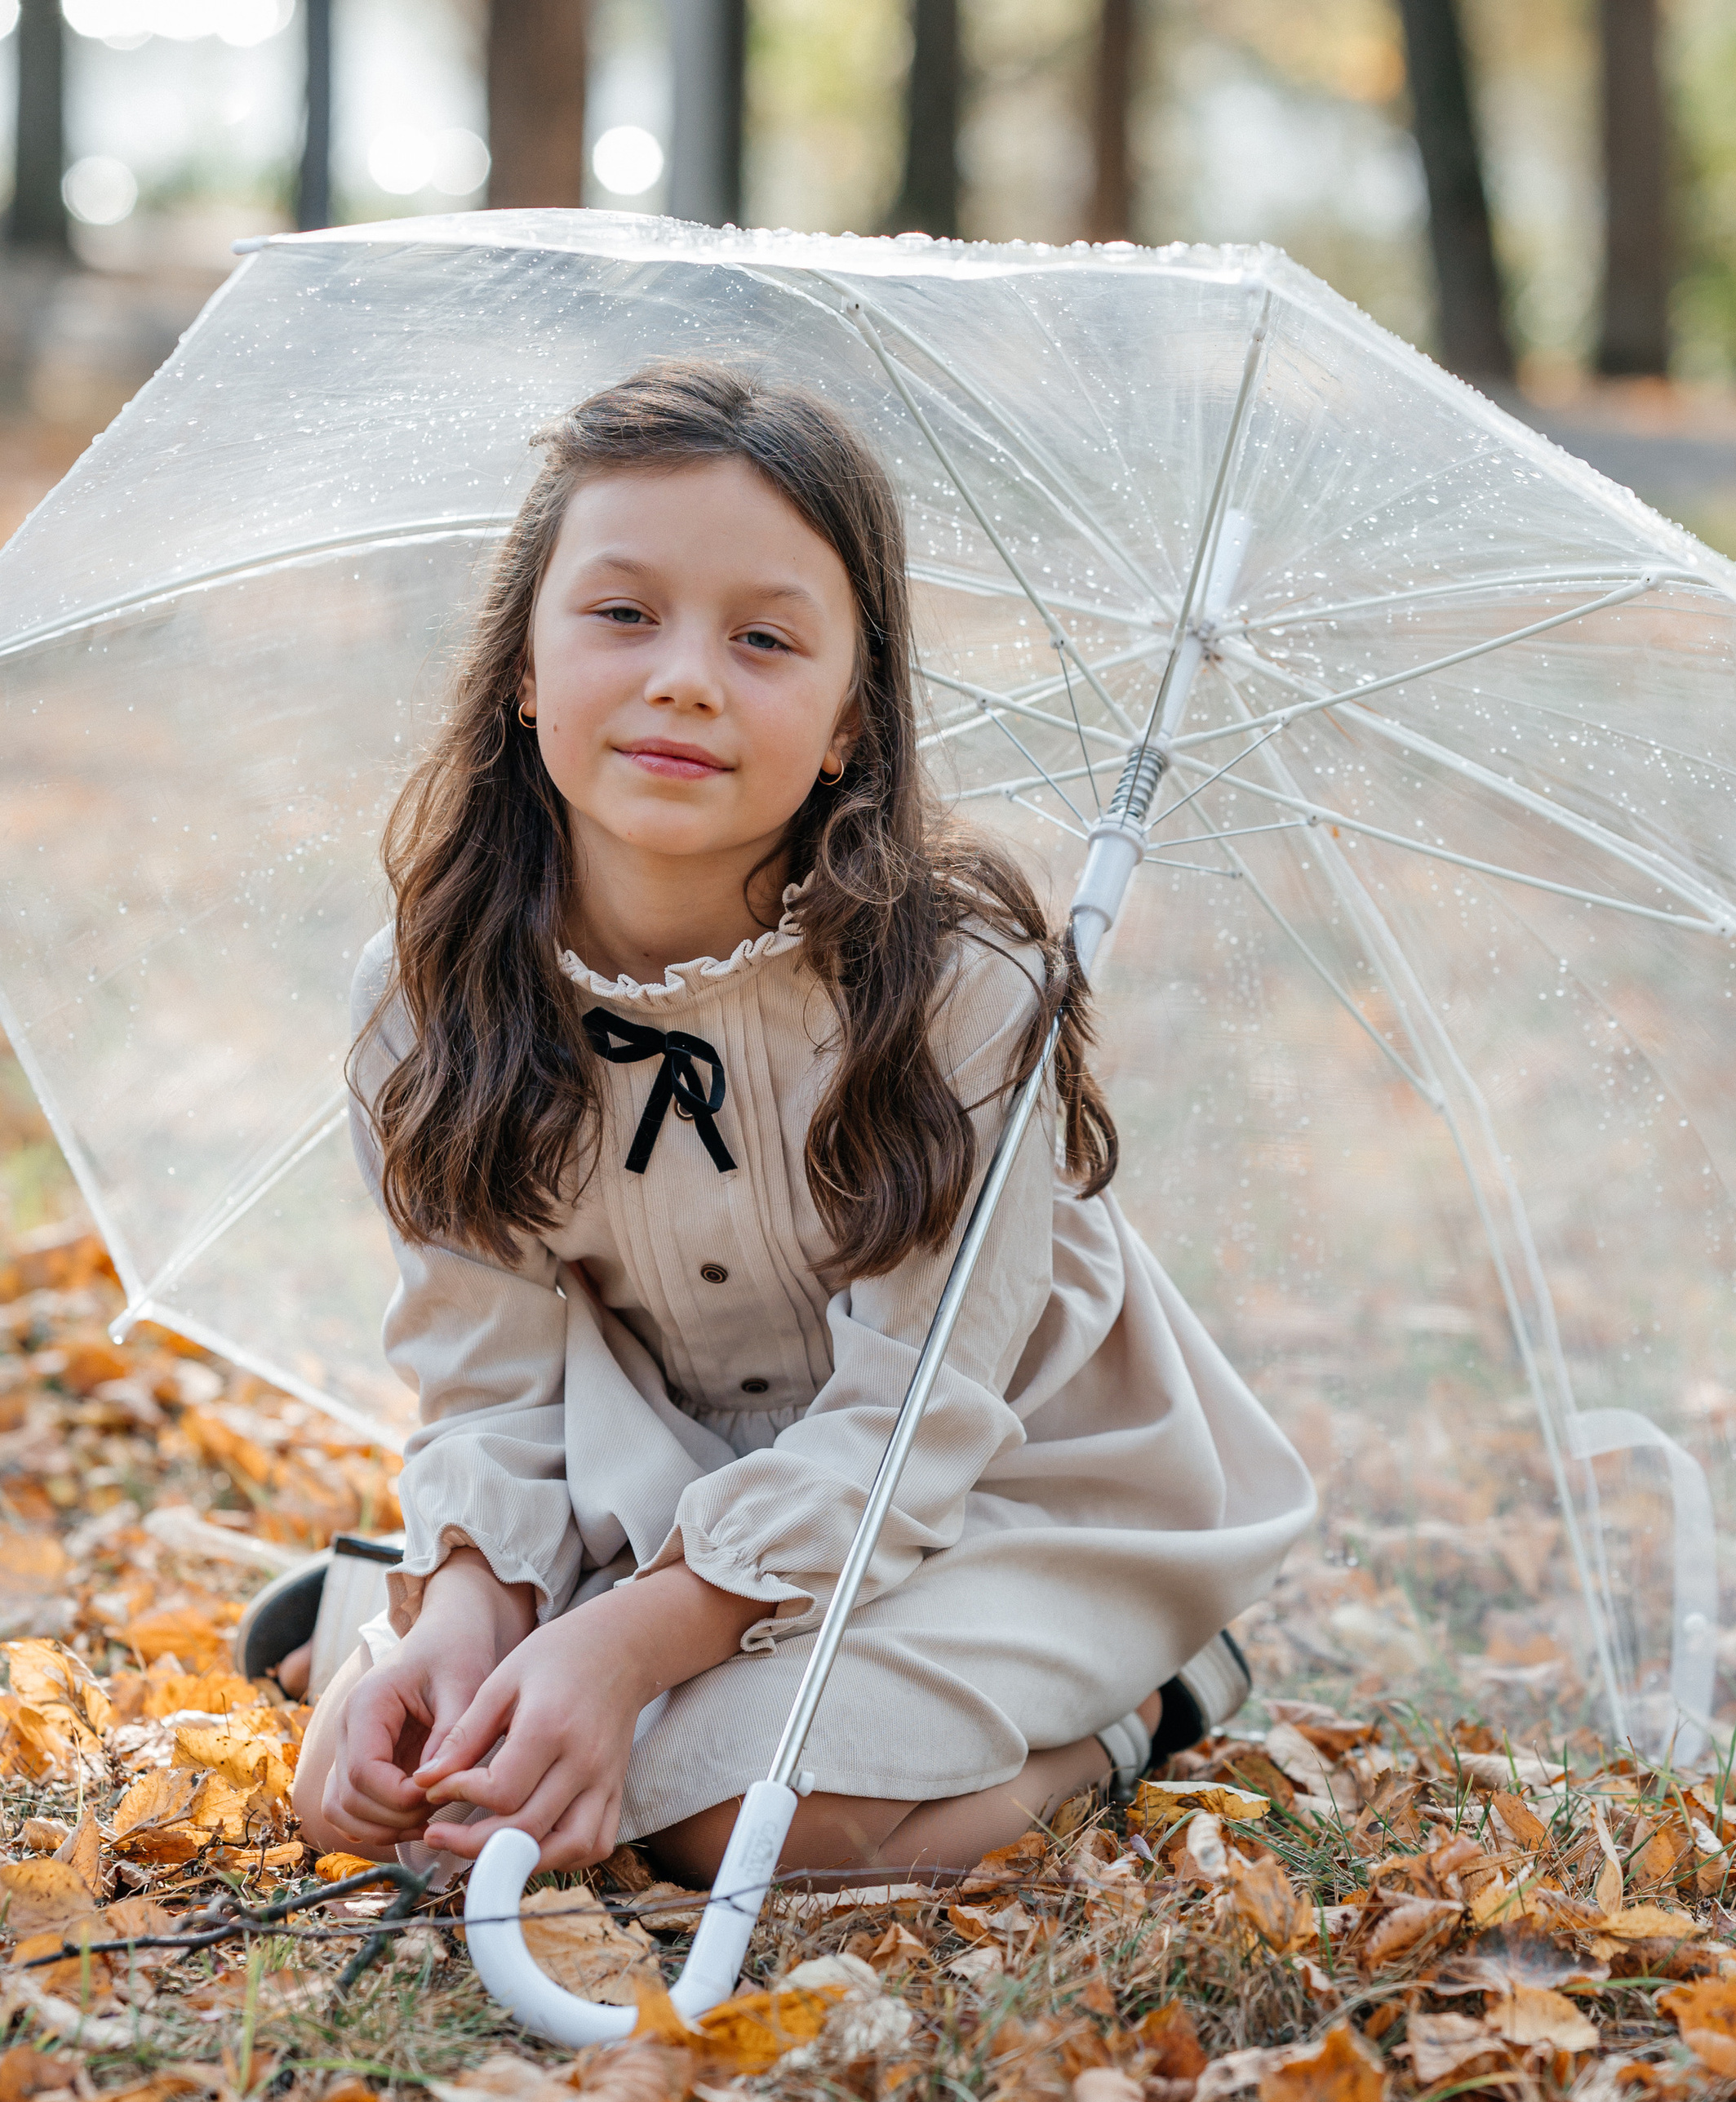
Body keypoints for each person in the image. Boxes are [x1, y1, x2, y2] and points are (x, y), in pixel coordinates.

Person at [288, 362, 1315, 1884]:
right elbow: (492, 1385)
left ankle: (1148, 1696)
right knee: (408, 1782)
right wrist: (463, 1615)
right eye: (622, 613)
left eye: (765, 639)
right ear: (521, 666)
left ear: (850, 720)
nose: (686, 679)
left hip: (1003, 1489)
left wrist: (630, 1648)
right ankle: (390, 1613)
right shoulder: (432, 994)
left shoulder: (962, 994)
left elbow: (915, 1426)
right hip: (677, 1487)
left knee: (735, 1823)